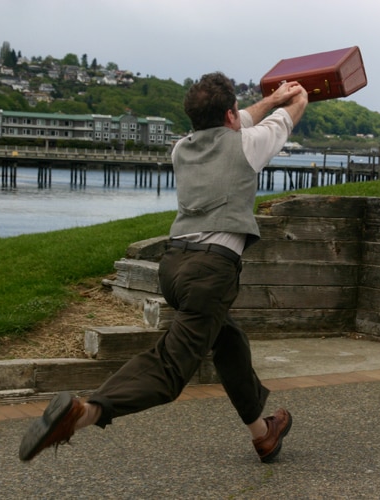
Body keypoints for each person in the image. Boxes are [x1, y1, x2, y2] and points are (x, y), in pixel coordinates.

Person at [19, 72, 308, 463]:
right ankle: (86, 412)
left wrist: (271, 99)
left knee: (228, 342)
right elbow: (293, 112)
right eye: (235, 112)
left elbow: (243, 120)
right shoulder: (249, 145)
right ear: (229, 113)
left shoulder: (180, 149)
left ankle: (263, 434)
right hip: (211, 272)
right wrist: (298, 95)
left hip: (173, 267)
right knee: (171, 368)